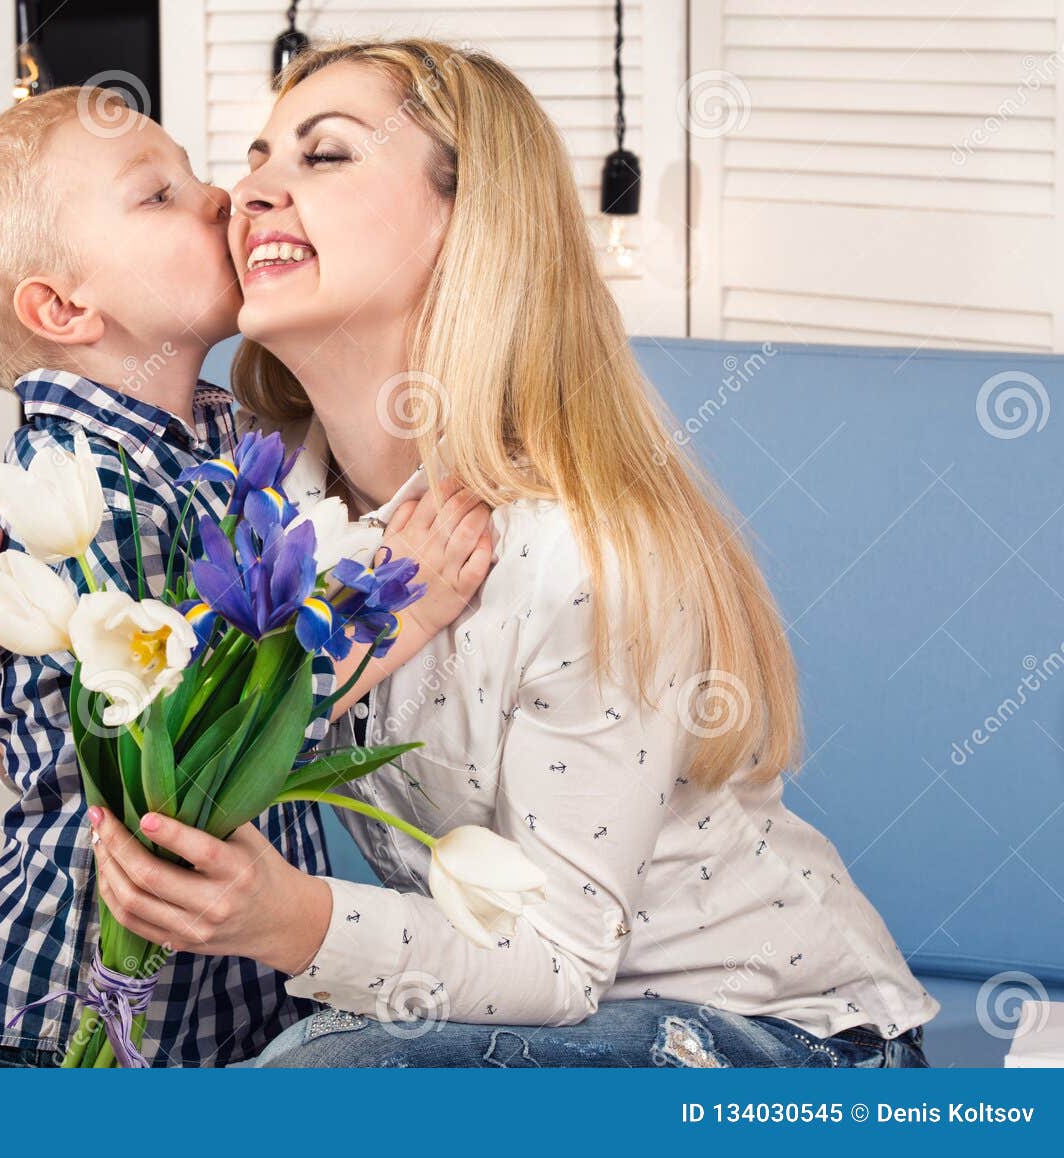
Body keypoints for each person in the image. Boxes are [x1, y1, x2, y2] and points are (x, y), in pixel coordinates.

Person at [83, 39, 939, 1068]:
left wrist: (292, 921)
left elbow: (560, 963)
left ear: (467, 221)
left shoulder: (578, 552)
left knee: (325, 1078)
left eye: (323, 156)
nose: (247, 191)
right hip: (528, 1021)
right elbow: (172, 740)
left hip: (780, 1045)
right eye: (257, 156)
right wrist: (9, 654)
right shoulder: (275, 518)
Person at [0, 85, 490, 1066]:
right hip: (77, 1017)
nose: (221, 196)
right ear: (62, 307)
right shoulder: (87, 487)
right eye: (158, 196)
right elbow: (211, 738)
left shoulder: (222, 436)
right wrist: (410, 612)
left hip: (222, 1007)